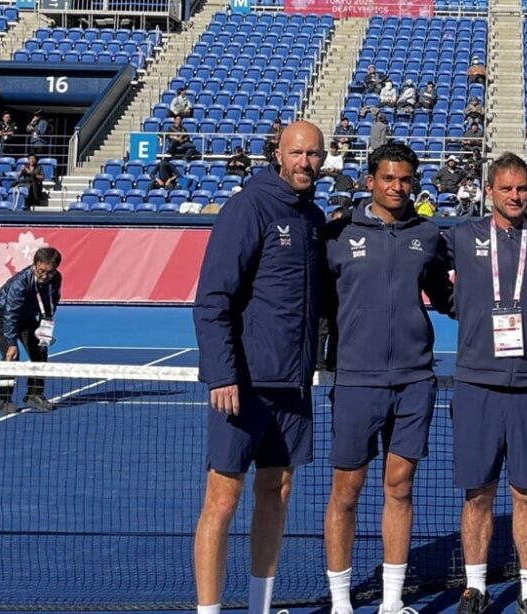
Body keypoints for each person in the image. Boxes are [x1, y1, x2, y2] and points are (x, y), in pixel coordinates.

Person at [192, 120, 328, 614]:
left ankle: (259, 608)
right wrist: (223, 373)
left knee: (277, 491)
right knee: (223, 499)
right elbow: (213, 299)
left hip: (294, 386)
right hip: (244, 386)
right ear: (278, 154)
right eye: (297, 153)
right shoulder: (247, 206)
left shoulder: (313, 217)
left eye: (313, 154)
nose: (305, 162)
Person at [443, 153, 527, 614]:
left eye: (522, 188)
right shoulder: (463, 236)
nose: (515, 196)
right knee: (477, 492)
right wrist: (462, 307)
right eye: (506, 188)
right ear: (489, 191)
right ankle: (474, 587)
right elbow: (426, 272)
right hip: (476, 383)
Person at [322, 142, 453, 614]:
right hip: (357, 380)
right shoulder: (336, 235)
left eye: (405, 179)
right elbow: (318, 303)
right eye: (388, 178)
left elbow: (447, 298)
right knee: (346, 491)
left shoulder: (429, 234)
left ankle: (392, 603)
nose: (397, 187)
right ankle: (341, 603)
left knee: (400, 487)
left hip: (415, 380)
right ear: (370, 180)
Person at [0, 247, 62, 415]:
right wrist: (11, 343)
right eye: (41, 271)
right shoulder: (20, 283)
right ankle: (4, 400)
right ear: (34, 265)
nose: (45, 276)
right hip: (2, 316)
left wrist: (45, 328)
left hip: (27, 317)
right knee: (12, 356)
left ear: (55, 269)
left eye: (49, 272)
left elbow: (51, 303)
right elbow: (11, 313)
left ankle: (34, 395)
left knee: (40, 351)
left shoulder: (56, 278)